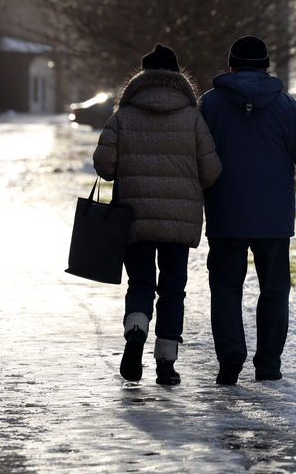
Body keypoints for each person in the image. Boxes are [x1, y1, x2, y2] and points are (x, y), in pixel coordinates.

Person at [200, 35, 296, 385]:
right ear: (267, 67)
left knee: (225, 286)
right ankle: (267, 363)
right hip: (274, 218)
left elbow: (193, 156)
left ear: (231, 66)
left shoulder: (209, 105)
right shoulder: (287, 107)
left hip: (225, 213)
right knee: (275, 288)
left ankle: (231, 351)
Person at [93, 44, 222, 385]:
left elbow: (104, 167)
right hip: (179, 219)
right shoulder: (192, 118)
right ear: (177, 77)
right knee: (172, 289)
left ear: (142, 77)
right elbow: (211, 171)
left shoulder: (123, 116)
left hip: (133, 216)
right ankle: (166, 363)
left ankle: (136, 328)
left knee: (140, 282)